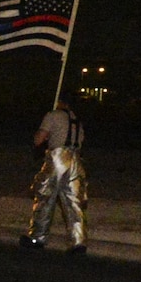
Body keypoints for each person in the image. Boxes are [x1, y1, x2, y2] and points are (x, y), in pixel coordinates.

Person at [21, 97, 88, 254]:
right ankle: (78, 242)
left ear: (59, 101)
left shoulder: (53, 115)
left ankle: (38, 237)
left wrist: (40, 136)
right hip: (76, 160)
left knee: (45, 198)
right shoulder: (76, 119)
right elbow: (81, 140)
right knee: (74, 203)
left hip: (58, 158)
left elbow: (39, 139)